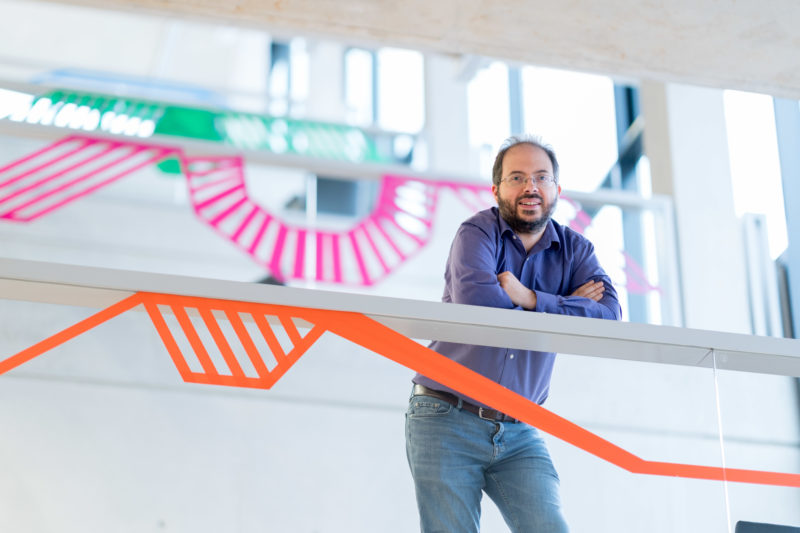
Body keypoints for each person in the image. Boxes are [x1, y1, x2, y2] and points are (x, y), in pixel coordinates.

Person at [405, 135, 622, 532]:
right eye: (517, 177)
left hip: (520, 429)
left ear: (557, 189)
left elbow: (609, 314)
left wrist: (532, 298)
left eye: (541, 177)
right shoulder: (476, 234)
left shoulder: (576, 251)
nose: (530, 187)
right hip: (446, 415)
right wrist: (566, 304)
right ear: (497, 189)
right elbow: (483, 308)